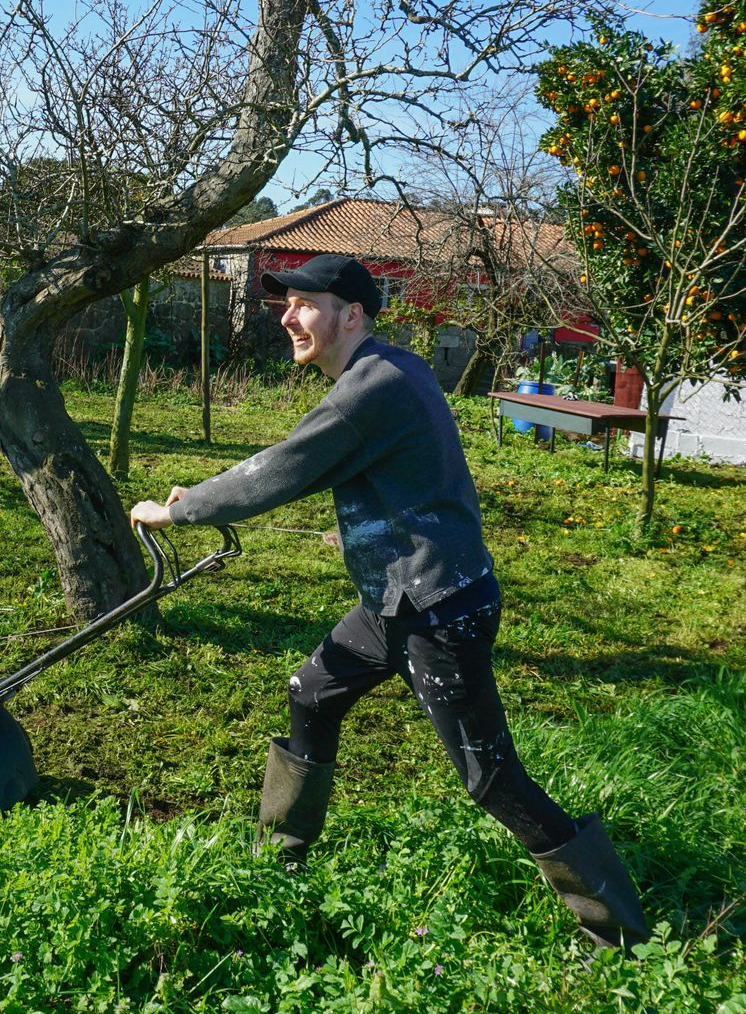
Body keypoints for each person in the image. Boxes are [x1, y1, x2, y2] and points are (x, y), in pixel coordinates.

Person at [129, 254, 649, 951]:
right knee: (312, 693)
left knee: (490, 777)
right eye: (285, 304)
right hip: (395, 602)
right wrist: (202, 499)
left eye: (305, 304)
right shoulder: (392, 370)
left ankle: (616, 930)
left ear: (352, 315)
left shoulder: (370, 389)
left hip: (438, 608)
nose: (288, 316)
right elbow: (300, 460)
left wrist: (182, 513)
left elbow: (286, 467)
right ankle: (277, 860)